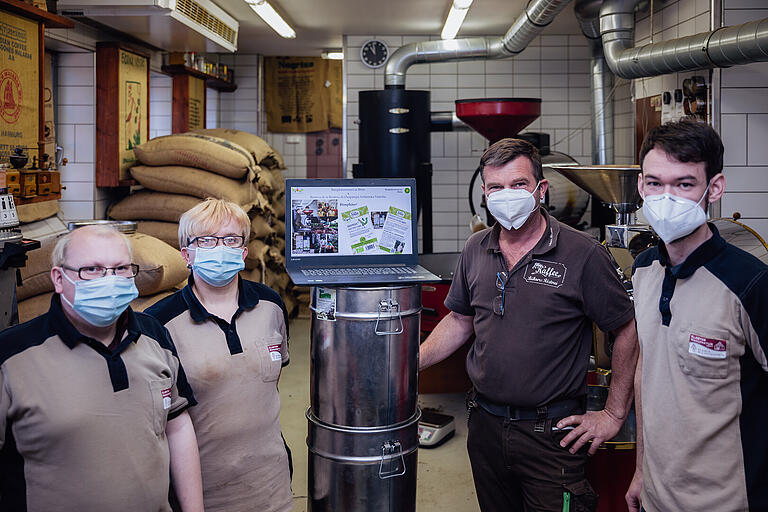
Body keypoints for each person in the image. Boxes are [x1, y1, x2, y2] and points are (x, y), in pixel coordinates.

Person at [419, 138, 638, 512]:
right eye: (497, 188)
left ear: (541, 189)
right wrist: (408, 364)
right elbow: (459, 320)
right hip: (485, 425)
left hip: (551, 433)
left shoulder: (581, 254)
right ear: (485, 194)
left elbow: (627, 329)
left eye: (518, 184)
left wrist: (614, 413)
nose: (508, 196)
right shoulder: (476, 248)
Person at [0, 225, 203, 512]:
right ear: (58, 278)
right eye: (92, 270)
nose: (109, 281)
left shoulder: (154, 336)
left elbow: (177, 426)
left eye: (120, 269)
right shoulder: (11, 356)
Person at [625, 120, 768, 512]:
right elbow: (647, 370)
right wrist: (640, 470)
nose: (666, 198)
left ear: (714, 189)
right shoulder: (644, 269)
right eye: (655, 183)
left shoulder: (750, 284)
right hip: (657, 496)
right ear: (641, 186)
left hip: (728, 501)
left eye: (684, 184)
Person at [146, 198, 293, 512]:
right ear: (187, 254)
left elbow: (269, 383)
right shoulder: (159, 323)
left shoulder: (270, 306)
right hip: (202, 492)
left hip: (271, 484)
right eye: (207, 240)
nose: (220, 248)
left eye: (230, 240)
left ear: (242, 252)